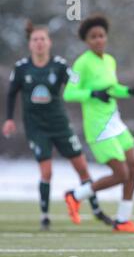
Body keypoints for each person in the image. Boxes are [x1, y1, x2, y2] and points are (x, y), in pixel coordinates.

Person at [1, 21, 112, 231]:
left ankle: (97, 210)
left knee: (81, 168)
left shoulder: (59, 65)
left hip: (60, 124)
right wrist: (8, 119)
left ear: (49, 42)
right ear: (30, 44)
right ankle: (45, 217)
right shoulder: (22, 67)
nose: (39, 43)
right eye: (35, 40)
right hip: (36, 127)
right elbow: (11, 93)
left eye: (43, 39)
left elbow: (76, 82)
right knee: (47, 171)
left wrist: (94, 89)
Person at [63, 15, 134, 233]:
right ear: (86, 41)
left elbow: (112, 88)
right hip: (98, 127)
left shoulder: (109, 60)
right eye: (93, 37)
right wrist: (92, 93)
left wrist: (128, 91)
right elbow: (69, 93)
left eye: (101, 35)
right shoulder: (82, 63)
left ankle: (122, 220)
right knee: (121, 174)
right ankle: (75, 195)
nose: (98, 40)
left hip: (114, 121)